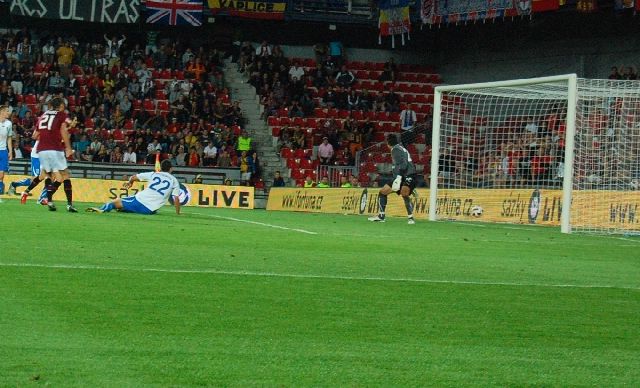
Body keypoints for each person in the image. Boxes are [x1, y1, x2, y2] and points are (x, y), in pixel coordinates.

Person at [20, 98, 77, 212]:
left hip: (42, 149)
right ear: (60, 106)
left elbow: (35, 136)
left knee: (48, 176)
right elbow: (67, 127)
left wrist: (48, 135)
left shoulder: (43, 115)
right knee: (64, 176)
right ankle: (69, 204)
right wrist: (68, 146)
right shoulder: (61, 115)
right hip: (54, 148)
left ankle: (47, 200)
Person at [87, 159, 180, 215]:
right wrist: (178, 213)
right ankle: (124, 209)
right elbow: (176, 198)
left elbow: (134, 177)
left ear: (161, 168)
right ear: (171, 169)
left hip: (140, 201)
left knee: (114, 202)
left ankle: (101, 209)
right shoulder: (174, 180)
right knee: (125, 205)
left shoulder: (153, 174)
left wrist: (130, 182)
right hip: (150, 210)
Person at [368, 134, 417, 224]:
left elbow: (404, 164)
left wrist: (398, 178)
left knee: (404, 193)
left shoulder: (395, 150)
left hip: (407, 175)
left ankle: (411, 218)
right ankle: (381, 216)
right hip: (402, 175)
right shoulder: (400, 147)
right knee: (383, 192)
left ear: (388, 143)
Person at [0, 106, 13, 197]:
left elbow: (9, 138)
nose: (9, 113)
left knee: (1, 174)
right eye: (7, 111)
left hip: (3, 151)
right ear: (2, 112)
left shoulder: (9, 123)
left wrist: (10, 151)